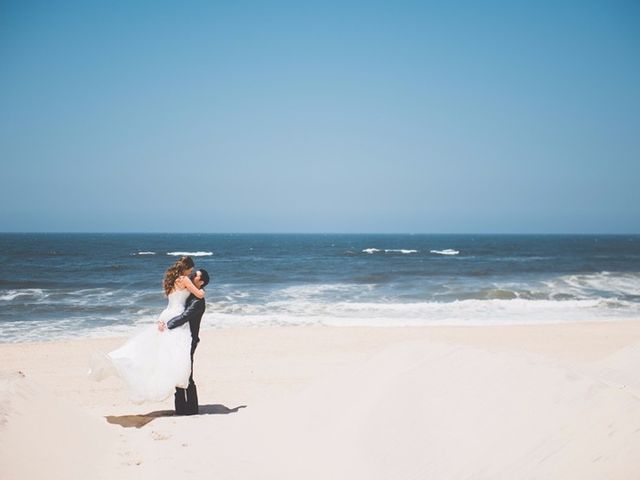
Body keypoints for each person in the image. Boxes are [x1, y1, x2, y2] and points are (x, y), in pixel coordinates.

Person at [89, 256, 205, 404]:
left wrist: (162, 320)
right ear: (186, 268)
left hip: (165, 315)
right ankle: (183, 394)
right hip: (175, 317)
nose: (191, 273)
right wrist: (202, 289)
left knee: (162, 354)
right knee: (175, 355)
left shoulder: (170, 281)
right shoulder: (185, 280)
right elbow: (199, 294)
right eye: (191, 270)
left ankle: (180, 400)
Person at [158, 268, 210, 415]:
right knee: (179, 369)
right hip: (181, 337)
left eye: (195, 276)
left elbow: (184, 317)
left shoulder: (197, 301)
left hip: (190, 339)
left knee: (187, 373)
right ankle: (181, 408)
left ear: (201, 282)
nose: (191, 276)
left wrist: (167, 325)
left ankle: (191, 409)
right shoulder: (190, 296)